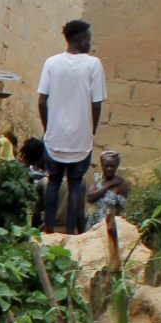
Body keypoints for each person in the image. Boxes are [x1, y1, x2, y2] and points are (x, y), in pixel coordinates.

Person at [36, 19, 107, 233]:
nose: (90, 44)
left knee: (54, 181)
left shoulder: (51, 63)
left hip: (55, 137)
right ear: (82, 39)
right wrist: (90, 131)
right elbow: (96, 104)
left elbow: (41, 101)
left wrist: (48, 128)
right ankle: (69, 232)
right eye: (89, 39)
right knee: (75, 184)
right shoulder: (93, 65)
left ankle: (48, 228)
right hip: (80, 139)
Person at [88, 150, 130, 227]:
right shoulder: (97, 178)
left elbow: (123, 209)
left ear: (117, 166)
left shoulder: (121, 183)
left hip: (109, 225)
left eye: (112, 166)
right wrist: (108, 185)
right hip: (93, 224)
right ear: (102, 165)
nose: (109, 168)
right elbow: (89, 198)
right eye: (106, 165)